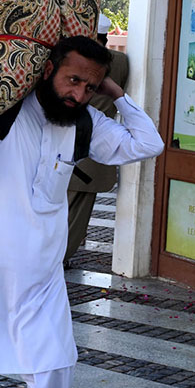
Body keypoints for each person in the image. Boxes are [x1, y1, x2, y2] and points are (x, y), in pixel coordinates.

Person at [0, 36, 164, 388]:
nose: (79, 94)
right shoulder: (6, 110)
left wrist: (118, 95)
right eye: (73, 80)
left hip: (40, 277)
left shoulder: (84, 122)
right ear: (48, 70)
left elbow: (148, 144)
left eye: (90, 87)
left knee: (54, 368)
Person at [64, 14, 130, 265]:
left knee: (56, 210)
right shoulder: (120, 62)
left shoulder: (73, 62)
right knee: (78, 214)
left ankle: (52, 258)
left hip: (65, 143)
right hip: (97, 150)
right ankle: (61, 258)